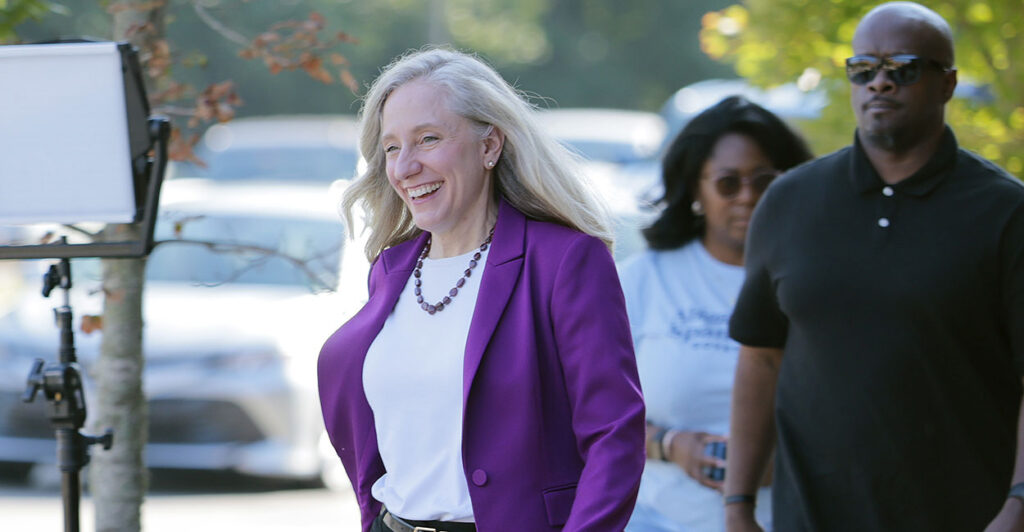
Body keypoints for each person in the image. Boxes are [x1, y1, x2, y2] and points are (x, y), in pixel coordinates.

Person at [317, 47, 646, 532]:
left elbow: (614, 438)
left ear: (489, 145)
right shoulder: (390, 268)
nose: (405, 167)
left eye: (427, 139)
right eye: (391, 147)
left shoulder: (565, 260)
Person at [724, 3, 1024, 531]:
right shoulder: (789, 201)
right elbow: (761, 358)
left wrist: (1017, 506)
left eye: (903, 67)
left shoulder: (1005, 212)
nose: (879, 83)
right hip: (811, 518)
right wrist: (738, 505)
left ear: (947, 83)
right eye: (863, 69)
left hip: (967, 516)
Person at [620, 96, 811, 532]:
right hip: (655, 519)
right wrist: (670, 445)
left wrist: (781, 457)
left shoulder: (817, 283)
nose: (747, 197)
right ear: (694, 188)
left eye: (764, 180)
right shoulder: (642, 281)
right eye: (728, 183)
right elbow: (579, 411)